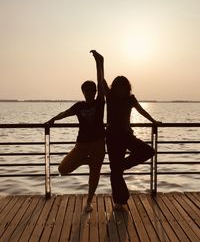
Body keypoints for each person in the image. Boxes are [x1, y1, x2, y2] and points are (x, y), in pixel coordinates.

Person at [91, 50, 161, 210]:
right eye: (117, 87)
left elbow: (141, 111)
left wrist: (153, 121)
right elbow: (101, 80)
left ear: (127, 88)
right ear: (114, 88)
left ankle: (121, 166)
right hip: (112, 136)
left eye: (123, 88)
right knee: (115, 172)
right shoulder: (110, 96)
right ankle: (120, 201)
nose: (120, 90)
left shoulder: (131, 99)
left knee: (148, 151)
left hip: (126, 135)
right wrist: (100, 62)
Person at [45, 56, 105, 212]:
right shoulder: (79, 106)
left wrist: (99, 63)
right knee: (62, 169)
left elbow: (101, 81)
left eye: (92, 91)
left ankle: (89, 203)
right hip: (82, 145)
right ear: (83, 92)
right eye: (87, 91)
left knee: (94, 175)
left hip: (98, 144)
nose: (90, 93)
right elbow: (65, 113)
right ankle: (87, 161)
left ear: (96, 92)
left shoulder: (100, 103)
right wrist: (52, 120)